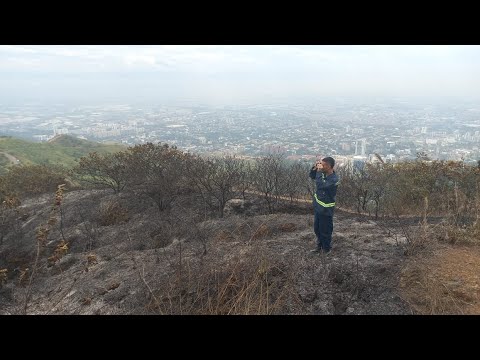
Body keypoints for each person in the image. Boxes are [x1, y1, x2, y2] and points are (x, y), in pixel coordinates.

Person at [309, 156, 339, 254]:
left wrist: (318, 172)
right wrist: (314, 169)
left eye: (323, 165)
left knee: (325, 230)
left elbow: (321, 185)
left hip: (326, 209)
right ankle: (319, 246)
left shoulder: (333, 179)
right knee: (317, 228)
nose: (321, 166)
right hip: (318, 207)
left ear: (329, 166)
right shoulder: (323, 174)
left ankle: (326, 249)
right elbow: (312, 176)